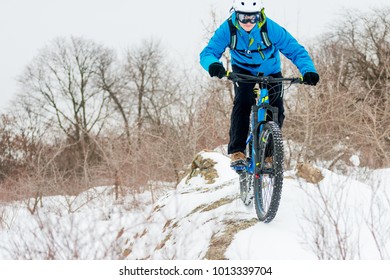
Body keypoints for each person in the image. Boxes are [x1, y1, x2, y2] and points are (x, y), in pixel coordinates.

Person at [200, 0, 319, 169]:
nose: (248, 22)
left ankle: (269, 154)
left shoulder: (270, 28)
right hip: (243, 71)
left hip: (270, 71)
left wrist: (308, 71)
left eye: (253, 18)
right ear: (235, 14)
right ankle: (237, 151)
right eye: (243, 17)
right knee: (243, 102)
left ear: (260, 15)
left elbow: (295, 50)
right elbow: (209, 52)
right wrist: (213, 65)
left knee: (276, 107)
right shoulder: (228, 29)